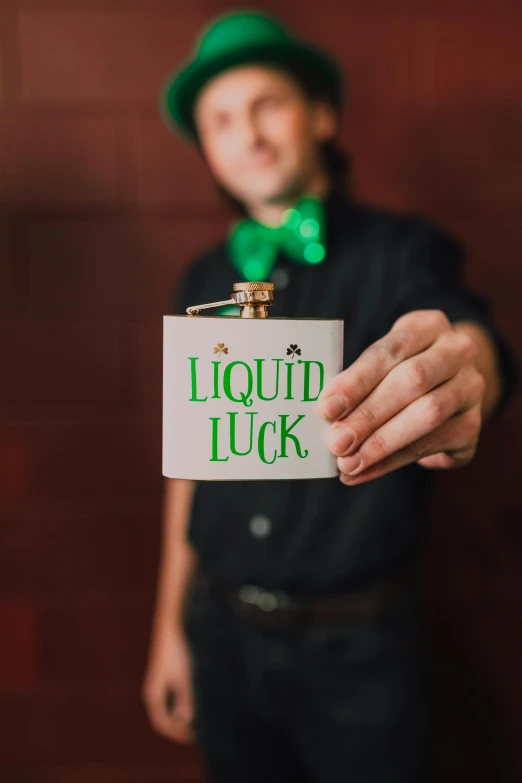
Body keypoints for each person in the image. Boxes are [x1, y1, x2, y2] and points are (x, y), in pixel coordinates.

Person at [142, 9, 519, 783]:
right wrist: (167, 631)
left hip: (360, 652)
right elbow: (189, 467)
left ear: (321, 112)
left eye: (266, 104)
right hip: (218, 632)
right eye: (219, 119)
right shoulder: (201, 281)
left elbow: (465, 335)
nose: (245, 133)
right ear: (206, 147)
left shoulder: (401, 250)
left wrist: (469, 369)